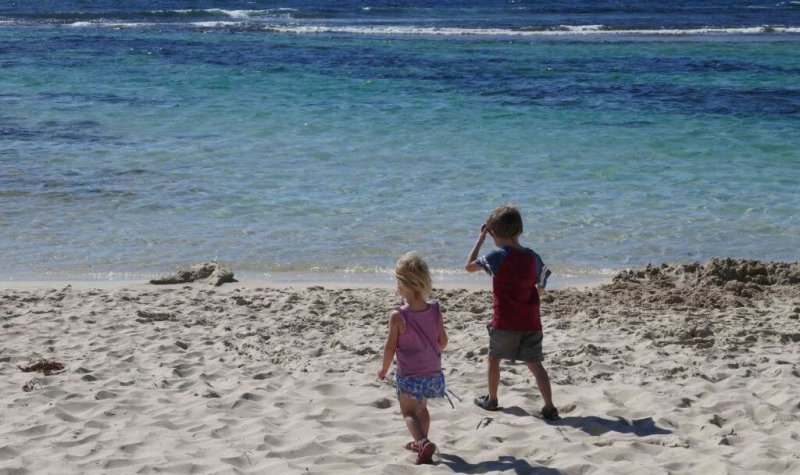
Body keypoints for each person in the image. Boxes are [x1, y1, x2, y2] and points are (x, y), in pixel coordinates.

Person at [464, 204, 559, 421]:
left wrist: (480, 239)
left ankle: (492, 400)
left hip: (504, 321)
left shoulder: (498, 255)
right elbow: (542, 286)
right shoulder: (532, 256)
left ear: (494, 233)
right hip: (531, 321)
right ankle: (549, 407)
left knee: (494, 358)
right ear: (519, 231)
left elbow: (468, 266)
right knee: (535, 364)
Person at [378, 252, 448, 465]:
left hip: (410, 374)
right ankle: (421, 440)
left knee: (409, 412)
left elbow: (390, 347)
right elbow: (443, 341)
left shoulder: (398, 315)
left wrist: (384, 369)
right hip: (433, 372)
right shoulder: (435, 308)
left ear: (401, 285)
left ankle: (423, 442)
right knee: (422, 408)